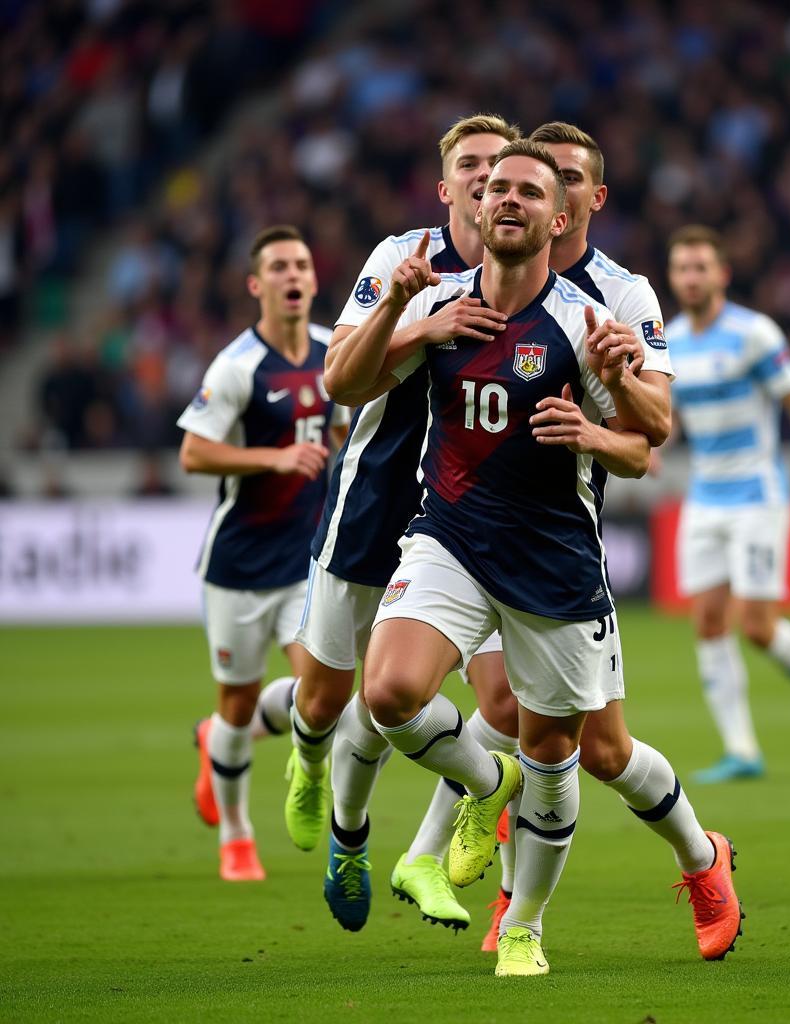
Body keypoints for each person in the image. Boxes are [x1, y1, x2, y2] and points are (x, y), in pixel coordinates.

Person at [328, 139, 737, 978]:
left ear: (573, 209)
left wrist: (604, 409)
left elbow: (649, 438)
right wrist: (405, 315)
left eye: (536, 188)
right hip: (448, 535)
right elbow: (344, 384)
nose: (505, 198)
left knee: (587, 753)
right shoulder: (440, 298)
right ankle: (486, 790)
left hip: (553, 554)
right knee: (392, 692)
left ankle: (543, 918)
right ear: (472, 206)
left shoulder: (602, 307)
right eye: (496, 187)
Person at [280, 115, 519, 928]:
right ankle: (328, 794)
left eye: (501, 164)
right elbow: (341, 378)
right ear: (446, 185)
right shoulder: (401, 258)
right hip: (375, 503)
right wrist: (420, 319)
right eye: (471, 165)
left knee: (506, 706)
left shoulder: (527, 273)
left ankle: (426, 853)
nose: (488, 177)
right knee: (326, 701)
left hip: (466, 520)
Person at [177, 224, 347, 881]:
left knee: (325, 691)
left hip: (307, 559)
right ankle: (237, 835)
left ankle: (247, 767)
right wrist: (274, 457)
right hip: (239, 567)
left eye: (301, 263)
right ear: (257, 285)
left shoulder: (336, 351)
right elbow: (194, 451)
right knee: (237, 705)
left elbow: (341, 428)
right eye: (278, 266)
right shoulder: (237, 366)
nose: (293, 275)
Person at [664, 224, 790, 783]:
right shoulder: (670, 339)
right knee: (707, 622)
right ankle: (742, 749)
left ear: (722, 274)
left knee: (757, 626)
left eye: (701, 267)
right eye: (682, 268)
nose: (691, 278)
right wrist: (651, 449)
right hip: (704, 497)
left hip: (756, 494)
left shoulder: (755, 334)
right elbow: (670, 422)